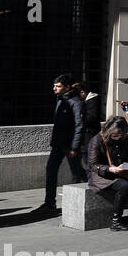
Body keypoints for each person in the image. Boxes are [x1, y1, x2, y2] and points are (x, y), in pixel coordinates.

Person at [86, 115, 128, 232]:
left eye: (120, 135)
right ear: (108, 131)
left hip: (120, 171)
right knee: (125, 185)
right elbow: (92, 165)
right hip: (101, 175)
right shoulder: (96, 140)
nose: (118, 138)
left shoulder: (123, 139)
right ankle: (116, 221)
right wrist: (110, 169)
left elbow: (127, 157)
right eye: (115, 135)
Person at [40, 75, 86, 212]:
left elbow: (79, 125)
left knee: (78, 174)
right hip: (58, 144)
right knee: (50, 170)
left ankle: (84, 201)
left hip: (70, 145)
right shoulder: (60, 100)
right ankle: (49, 203)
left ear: (67, 87)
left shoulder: (75, 102)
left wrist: (75, 146)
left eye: (58, 86)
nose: (54, 88)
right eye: (54, 85)